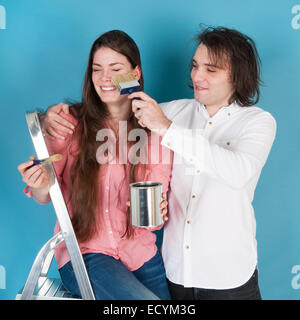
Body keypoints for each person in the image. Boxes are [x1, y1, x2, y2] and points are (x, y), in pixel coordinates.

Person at [41, 26, 277, 300]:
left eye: (210, 69)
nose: (197, 76)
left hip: (228, 276)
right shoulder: (172, 111)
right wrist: (54, 116)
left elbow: (238, 172)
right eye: (195, 65)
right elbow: (121, 102)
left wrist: (167, 128)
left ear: (238, 75)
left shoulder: (257, 122)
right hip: (179, 274)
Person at [17, 30, 173, 300]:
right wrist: (39, 183)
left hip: (140, 254)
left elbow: (153, 216)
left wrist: (157, 209)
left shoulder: (154, 131)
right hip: (85, 254)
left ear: (135, 74)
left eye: (116, 69)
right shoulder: (69, 123)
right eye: (97, 69)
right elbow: (45, 196)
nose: (105, 79)